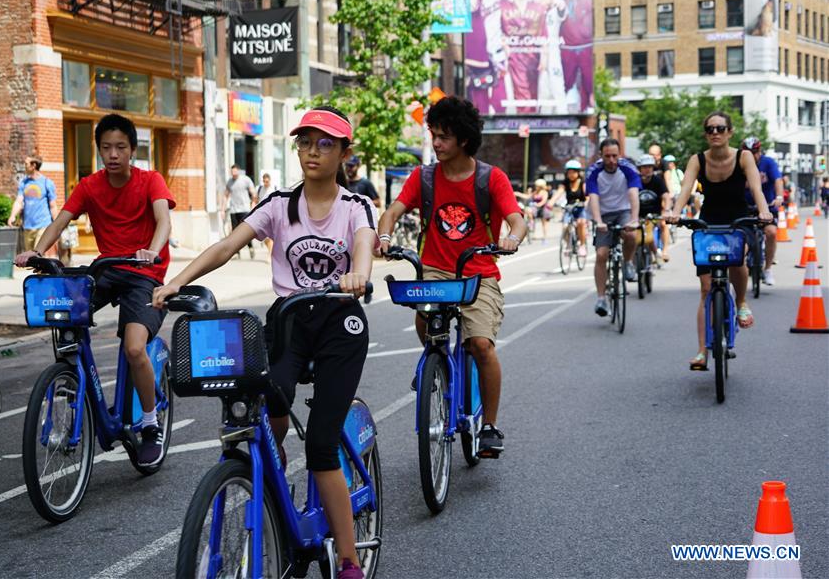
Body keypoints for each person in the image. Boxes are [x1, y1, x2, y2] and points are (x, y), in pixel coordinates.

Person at [153, 106, 375, 579]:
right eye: (305, 142)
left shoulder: (355, 206)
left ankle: (349, 559)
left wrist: (358, 274)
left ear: (344, 153)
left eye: (325, 144)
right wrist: (177, 281)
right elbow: (226, 246)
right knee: (262, 405)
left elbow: (363, 244)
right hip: (289, 320)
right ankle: (273, 481)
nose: (313, 151)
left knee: (321, 445)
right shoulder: (278, 205)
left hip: (340, 323)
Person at [15, 113, 175, 466]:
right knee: (66, 312)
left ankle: (150, 425)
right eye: (106, 147)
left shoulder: (151, 180)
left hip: (144, 273)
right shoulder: (89, 186)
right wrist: (37, 252)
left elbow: (163, 219)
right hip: (106, 270)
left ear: (132, 149)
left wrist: (152, 249)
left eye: (121, 147)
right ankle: (71, 376)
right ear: (99, 150)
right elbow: (60, 221)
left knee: (134, 348)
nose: (113, 154)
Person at [377, 96, 525, 457]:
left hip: (479, 272)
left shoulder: (491, 178)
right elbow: (392, 212)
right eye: (434, 135)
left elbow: (517, 220)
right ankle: (436, 362)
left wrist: (511, 239)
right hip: (435, 270)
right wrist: (384, 237)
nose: (436, 143)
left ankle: (489, 426)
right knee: (424, 319)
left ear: (464, 139)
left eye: (444, 136)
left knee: (481, 345)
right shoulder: (424, 177)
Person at [665, 111, 772, 371]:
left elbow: (756, 188)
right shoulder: (697, 160)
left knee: (737, 261)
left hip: (738, 219)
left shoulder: (744, 157)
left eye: (720, 128)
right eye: (710, 129)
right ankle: (702, 352)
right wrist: (676, 213)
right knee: (705, 289)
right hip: (709, 221)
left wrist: (764, 211)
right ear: (705, 134)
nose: (715, 133)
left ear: (730, 132)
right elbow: (686, 189)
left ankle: (742, 302)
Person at [587, 137, 640, 316]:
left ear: (620, 154)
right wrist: (598, 221)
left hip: (623, 210)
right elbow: (593, 198)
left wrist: (634, 219)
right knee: (601, 254)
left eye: (615, 156)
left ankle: (628, 262)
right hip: (602, 213)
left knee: (631, 235)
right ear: (601, 155)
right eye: (607, 156)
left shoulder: (628, 168)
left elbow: (633, 194)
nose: (611, 160)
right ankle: (601, 298)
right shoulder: (594, 171)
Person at [741, 137, 783, 286]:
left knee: (771, 233)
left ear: (759, 151)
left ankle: (768, 269)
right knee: (739, 239)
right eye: (748, 152)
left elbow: (778, 180)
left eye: (754, 152)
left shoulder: (768, 163)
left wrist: (779, 197)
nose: (752, 155)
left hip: (767, 207)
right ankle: (738, 268)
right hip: (745, 207)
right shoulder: (739, 164)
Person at [8, 154, 58, 257]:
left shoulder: (47, 183)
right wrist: (12, 215)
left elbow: (53, 206)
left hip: (43, 225)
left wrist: (57, 225)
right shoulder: (24, 183)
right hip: (28, 226)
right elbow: (19, 201)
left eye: (26, 164)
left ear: (33, 165)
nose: (24, 166)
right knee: (31, 259)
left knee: (38, 255)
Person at [636, 154, 672, 264]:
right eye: (644, 167)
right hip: (637, 215)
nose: (648, 169)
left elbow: (666, 197)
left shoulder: (657, 181)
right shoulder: (635, 181)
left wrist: (666, 210)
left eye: (650, 166)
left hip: (655, 215)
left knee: (663, 225)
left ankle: (664, 251)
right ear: (640, 169)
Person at [548, 159, 587, 255]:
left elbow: (587, 195)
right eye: (569, 172)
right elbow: (559, 192)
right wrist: (551, 202)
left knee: (581, 223)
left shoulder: (582, 182)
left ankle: (582, 246)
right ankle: (568, 245)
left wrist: (586, 202)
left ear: (578, 172)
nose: (571, 174)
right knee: (565, 226)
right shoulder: (565, 182)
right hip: (569, 207)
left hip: (580, 207)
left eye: (573, 172)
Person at [222, 164, 257, 258]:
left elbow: (253, 192)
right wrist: (222, 210)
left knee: (245, 231)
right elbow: (225, 195)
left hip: (244, 209)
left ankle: (250, 247)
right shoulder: (229, 182)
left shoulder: (245, 179)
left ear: (238, 171)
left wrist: (253, 203)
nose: (233, 173)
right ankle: (236, 252)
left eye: (235, 171)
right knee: (235, 232)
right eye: (232, 172)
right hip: (234, 210)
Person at [257, 172, 278, 255]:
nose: (266, 183)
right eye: (264, 181)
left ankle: (270, 254)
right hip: (261, 215)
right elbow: (256, 200)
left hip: (271, 215)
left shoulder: (273, 189)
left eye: (267, 181)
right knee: (263, 237)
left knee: (269, 237)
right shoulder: (260, 189)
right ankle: (272, 251)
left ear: (270, 181)